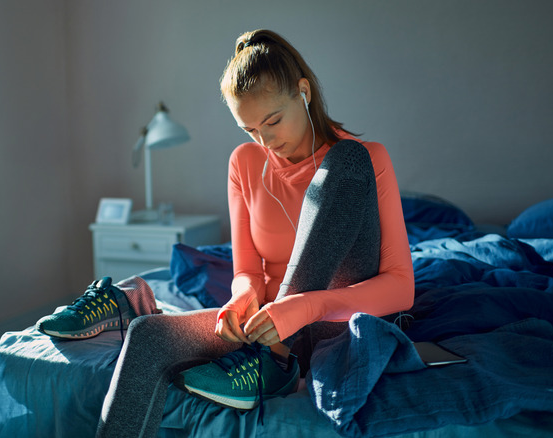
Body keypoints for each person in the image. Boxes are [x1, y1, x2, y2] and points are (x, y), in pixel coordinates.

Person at [36, 29, 414, 438]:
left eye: (272, 121)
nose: (265, 140)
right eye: (250, 129)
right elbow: (247, 270)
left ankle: (276, 360)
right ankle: (268, 358)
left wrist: (304, 308)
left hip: (334, 323)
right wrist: (242, 298)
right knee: (147, 336)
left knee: (348, 158)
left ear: (302, 92)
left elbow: (400, 288)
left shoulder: (365, 160)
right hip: (264, 332)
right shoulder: (245, 163)